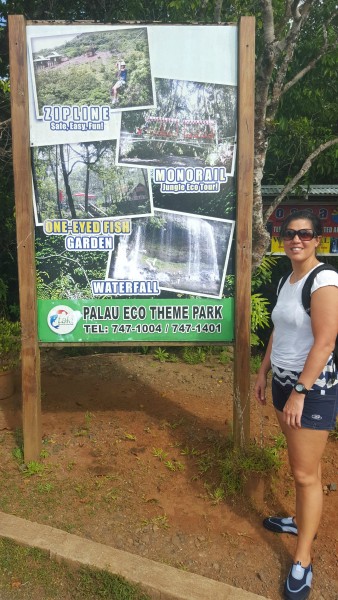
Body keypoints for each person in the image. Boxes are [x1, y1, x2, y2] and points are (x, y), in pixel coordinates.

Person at [254, 209, 338, 600]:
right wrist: (262, 371)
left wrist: (301, 392)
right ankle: (302, 519)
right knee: (307, 467)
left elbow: (325, 341)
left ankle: (302, 559)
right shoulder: (288, 279)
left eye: (305, 234)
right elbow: (278, 329)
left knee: (304, 475)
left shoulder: (324, 280)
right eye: (289, 234)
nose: (296, 240)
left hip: (310, 390)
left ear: (317, 239)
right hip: (283, 382)